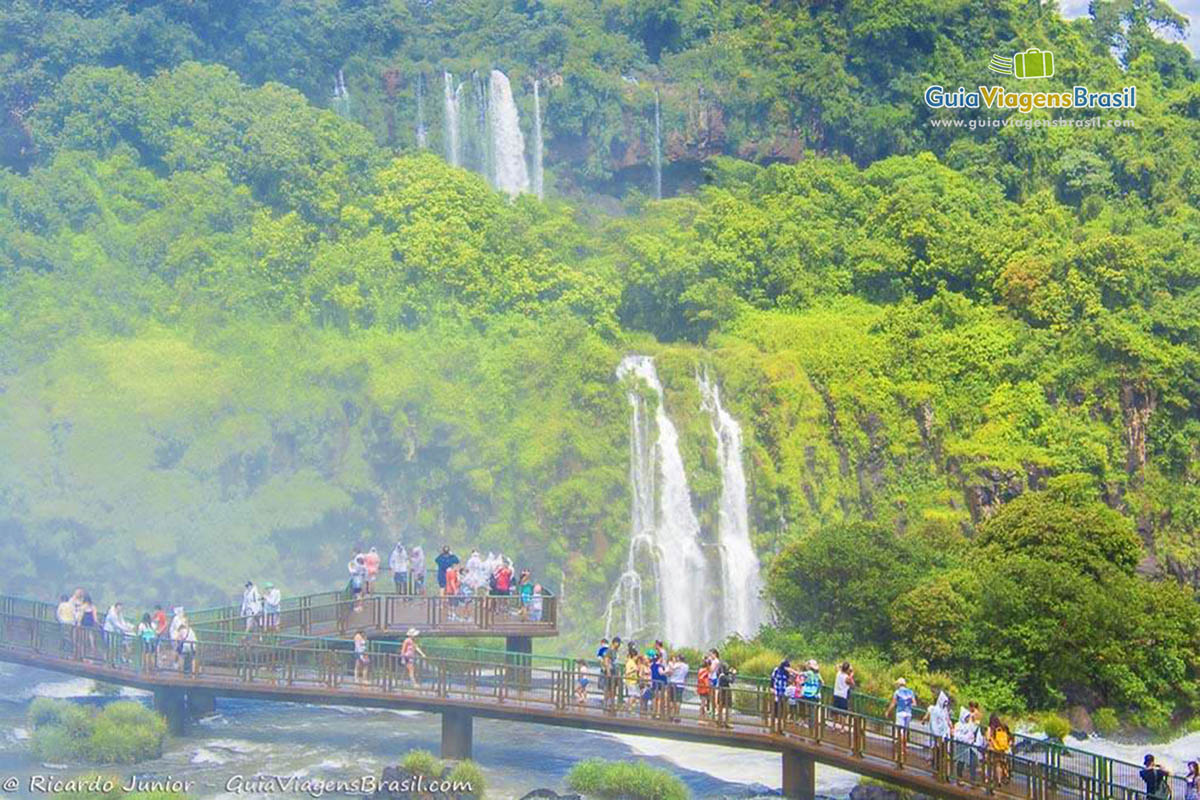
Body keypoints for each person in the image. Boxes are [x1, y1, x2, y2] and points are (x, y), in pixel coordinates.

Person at [924, 690, 953, 773]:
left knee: (943, 751)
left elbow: (947, 720)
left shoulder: (944, 710)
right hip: (938, 735)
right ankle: (936, 766)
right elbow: (933, 723)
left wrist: (950, 728)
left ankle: (940, 767)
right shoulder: (935, 710)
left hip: (944, 734)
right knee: (937, 750)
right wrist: (936, 734)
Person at [953, 706, 980, 784]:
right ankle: (959, 777)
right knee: (961, 762)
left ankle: (973, 780)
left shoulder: (969, 725)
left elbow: (973, 731)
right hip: (961, 747)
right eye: (967, 717)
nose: (968, 718)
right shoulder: (958, 725)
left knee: (973, 762)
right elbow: (957, 735)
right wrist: (965, 738)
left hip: (970, 747)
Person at [986, 713, 1012, 785]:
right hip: (1003, 748)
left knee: (996, 765)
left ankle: (998, 780)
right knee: (1002, 763)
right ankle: (1006, 775)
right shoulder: (1001, 728)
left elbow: (988, 738)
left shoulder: (990, 728)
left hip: (994, 749)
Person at [770, 658, 794, 733]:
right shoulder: (776, 670)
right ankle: (774, 722)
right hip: (777, 690)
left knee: (783, 707)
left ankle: (781, 724)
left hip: (784, 692)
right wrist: (771, 688)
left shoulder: (788, 673)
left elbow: (791, 680)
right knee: (776, 706)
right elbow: (772, 679)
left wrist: (791, 674)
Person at [799, 659, 823, 729]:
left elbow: (800, 674)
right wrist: (818, 690)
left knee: (804, 706)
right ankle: (811, 725)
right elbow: (822, 682)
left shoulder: (809, 673)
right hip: (815, 694)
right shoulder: (818, 674)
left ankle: (805, 722)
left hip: (808, 694)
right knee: (812, 710)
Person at [667, 653, 689, 722]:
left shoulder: (676, 665)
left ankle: (671, 714)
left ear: (679, 658)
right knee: (678, 700)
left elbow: (670, 671)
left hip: (673, 682)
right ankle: (677, 715)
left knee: (671, 700)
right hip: (681, 684)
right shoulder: (686, 666)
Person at [624, 646, 641, 712]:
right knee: (632, 695)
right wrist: (634, 670)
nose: (637, 658)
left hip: (633, 681)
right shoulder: (630, 662)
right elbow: (627, 672)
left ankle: (629, 707)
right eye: (636, 656)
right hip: (630, 681)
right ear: (634, 656)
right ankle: (629, 708)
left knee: (634, 695)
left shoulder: (633, 662)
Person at [696, 656, 713, 721]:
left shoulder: (700, 670)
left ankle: (702, 716)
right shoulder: (705, 672)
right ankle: (701, 718)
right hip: (704, 689)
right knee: (703, 703)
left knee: (703, 702)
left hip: (700, 688)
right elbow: (705, 681)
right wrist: (708, 689)